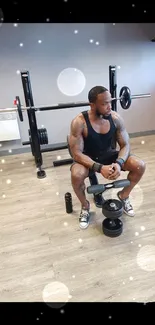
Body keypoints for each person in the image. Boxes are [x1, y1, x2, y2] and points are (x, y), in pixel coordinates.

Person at [68, 86, 146, 229]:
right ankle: (85, 206)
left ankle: (124, 196)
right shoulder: (79, 122)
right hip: (87, 159)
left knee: (139, 165)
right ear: (92, 105)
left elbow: (125, 145)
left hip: (109, 155)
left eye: (110, 102)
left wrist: (119, 162)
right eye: (104, 104)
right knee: (76, 175)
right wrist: (99, 168)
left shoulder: (115, 118)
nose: (109, 106)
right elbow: (77, 154)